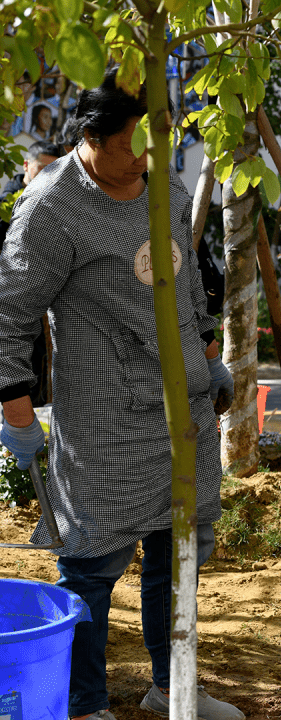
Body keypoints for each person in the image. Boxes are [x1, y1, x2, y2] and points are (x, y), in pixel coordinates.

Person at [0, 68, 241, 720]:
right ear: (93, 136)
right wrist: (17, 413)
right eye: (135, 142)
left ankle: (172, 687)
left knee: (177, 557)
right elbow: (10, 316)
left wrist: (209, 356)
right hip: (104, 423)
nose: (148, 157)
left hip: (182, 416)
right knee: (92, 568)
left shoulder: (162, 183)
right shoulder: (52, 209)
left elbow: (190, 279)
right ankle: (83, 705)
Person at [0, 141, 65, 408]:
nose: (48, 180)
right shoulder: (7, 208)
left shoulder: (56, 202)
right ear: (26, 166)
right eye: (42, 170)